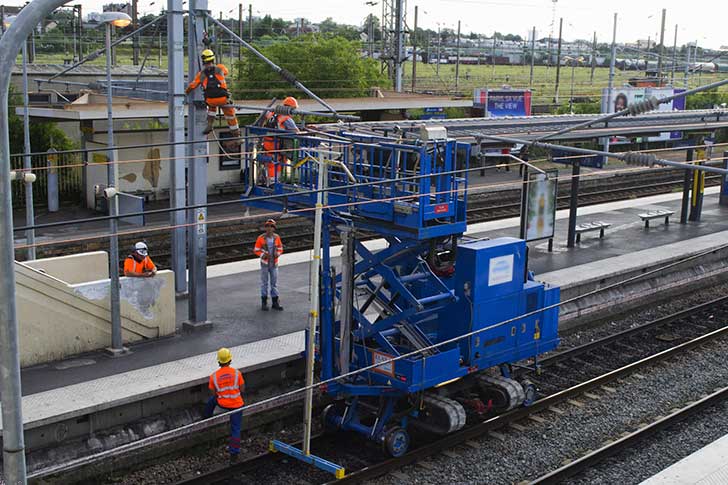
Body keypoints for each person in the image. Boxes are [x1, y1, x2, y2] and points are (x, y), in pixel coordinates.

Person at [185, 49, 240, 138]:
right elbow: (226, 72)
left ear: (203, 61)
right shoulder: (220, 68)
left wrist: (186, 92)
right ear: (213, 59)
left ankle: (210, 124)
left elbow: (192, 86)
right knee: (230, 114)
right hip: (223, 99)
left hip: (211, 101)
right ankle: (237, 135)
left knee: (211, 104)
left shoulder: (201, 74)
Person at [204, 348, 245, 460]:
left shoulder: (214, 376)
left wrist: (222, 396)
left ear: (219, 361)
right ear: (230, 360)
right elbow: (242, 389)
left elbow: (213, 393)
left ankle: (206, 417)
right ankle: (234, 454)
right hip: (237, 404)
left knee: (212, 401)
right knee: (236, 429)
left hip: (222, 403)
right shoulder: (237, 374)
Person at [258, 96, 301, 184]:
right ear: (291, 108)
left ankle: (271, 184)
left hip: (268, 145)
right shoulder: (287, 119)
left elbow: (263, 120)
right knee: (275, 166)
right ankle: (274, 185)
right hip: (276, 147)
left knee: (271, 165)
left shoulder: (271, 113)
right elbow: (297, 133)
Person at [253, 219, 284, 311]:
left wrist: (277, 254)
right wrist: (263, 255)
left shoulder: (277, 237)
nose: (269, 228)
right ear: (265, 227)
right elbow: (256, 249)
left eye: (271, 226)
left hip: (274, 264)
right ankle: (264, 303)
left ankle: (275, 302)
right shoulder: (260, 238)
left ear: (274, 228)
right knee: (264, 283)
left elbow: (280, 248)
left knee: (274, 283)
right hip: (265, 264)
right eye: (267, 226)